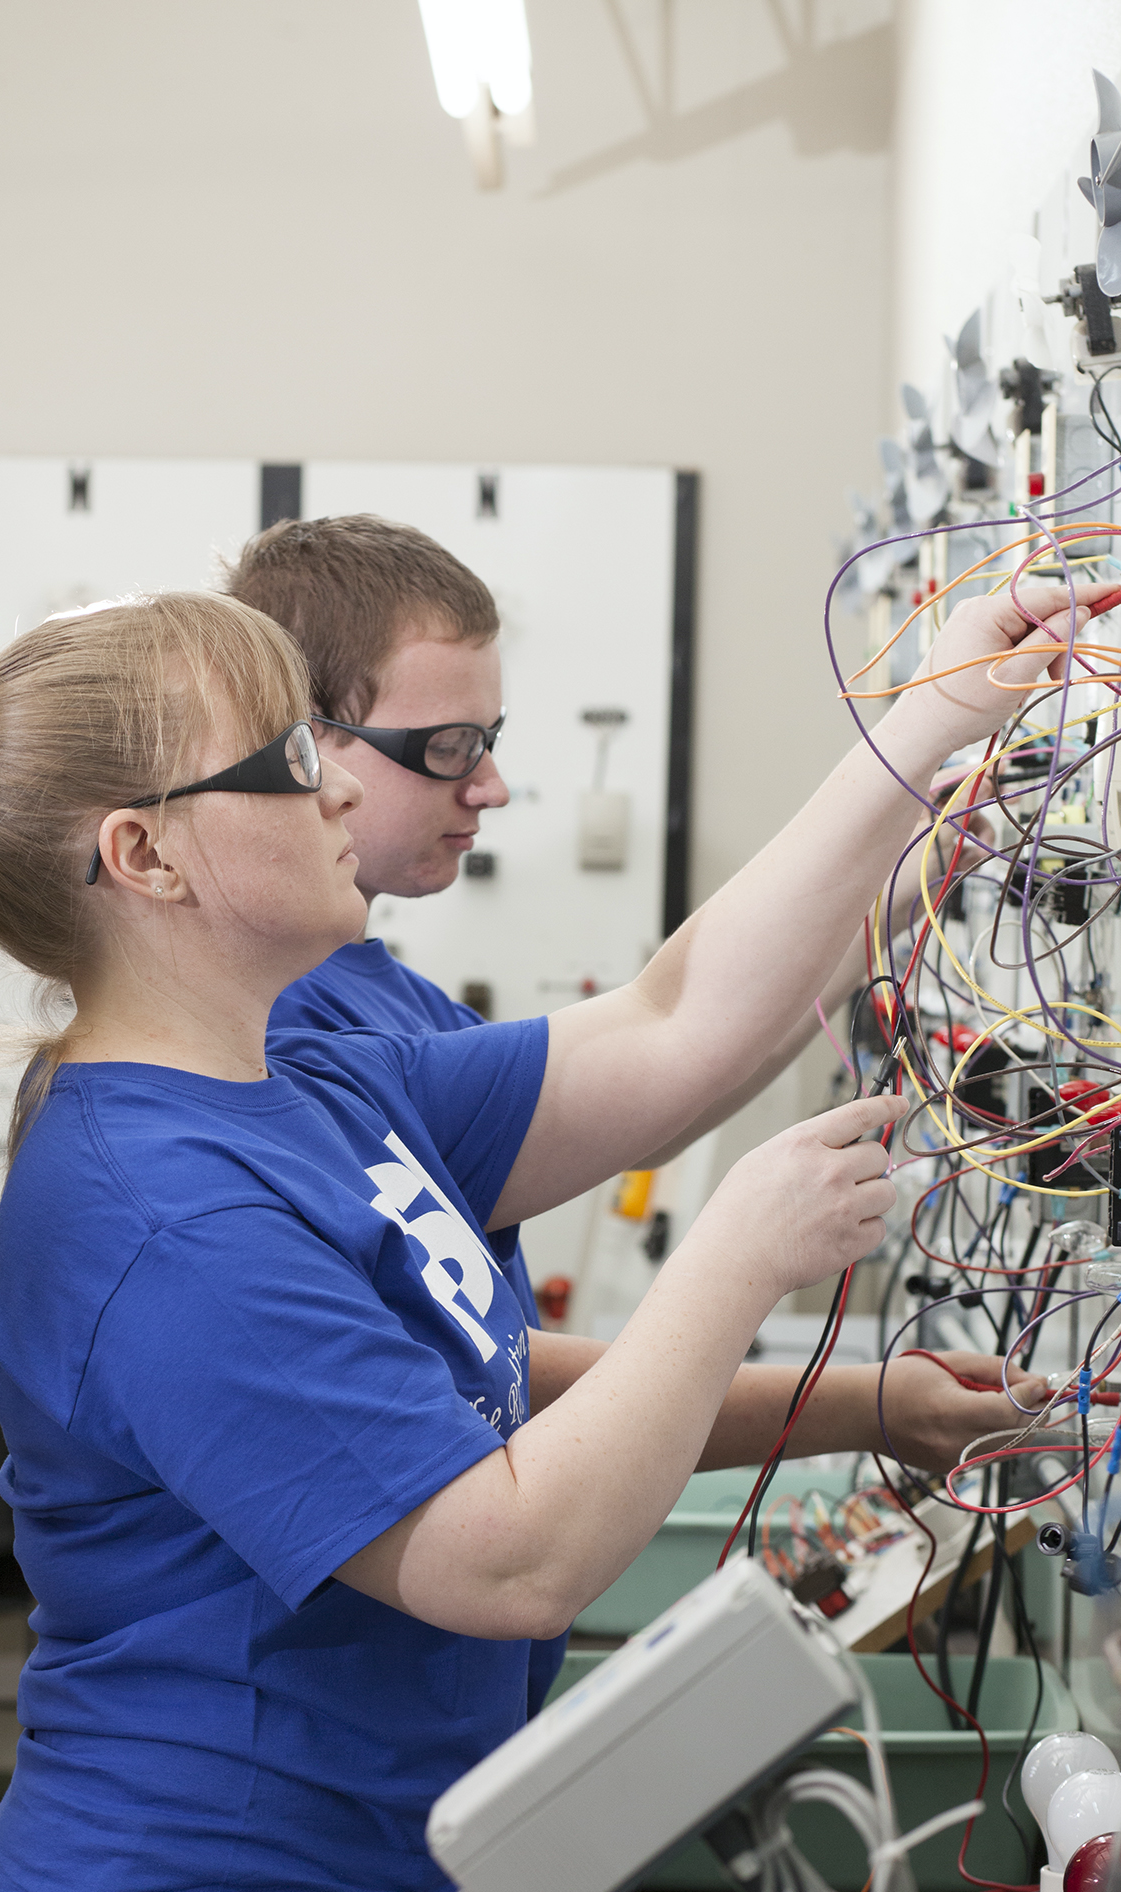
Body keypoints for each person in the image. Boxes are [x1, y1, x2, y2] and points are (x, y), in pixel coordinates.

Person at [0, 578, 1090, 1892]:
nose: (342, 776)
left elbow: (681, 1021)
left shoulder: (313, 1080)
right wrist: (734, 1256)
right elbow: (503, 1556)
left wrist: (934, 711)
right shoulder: (154, 1210)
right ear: (144, 856)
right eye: (284, 759)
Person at [226, 516, 994, 1713]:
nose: (488, 784)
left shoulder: (386, 1008)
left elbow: (678, 1063)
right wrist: (928, 717)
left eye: (490, 740)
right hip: (267, 1838)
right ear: (295, 748)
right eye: (444, 746)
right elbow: (676, 1029)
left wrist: (885, 899)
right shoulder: (273, 1059)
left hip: (408, 1786)